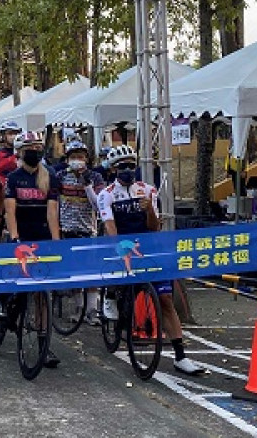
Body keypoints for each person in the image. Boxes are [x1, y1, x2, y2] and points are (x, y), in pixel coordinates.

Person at [95, 145, 206, 375]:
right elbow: (110, 226)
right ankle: (112, 295)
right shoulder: (106, 194)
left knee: (165, 299)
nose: (128, 170)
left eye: (131, 165)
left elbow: (155, 227)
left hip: (148, 248)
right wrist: (120, 249)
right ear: (114, 169)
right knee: (116, 264)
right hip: (123, 246)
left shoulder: (148, 190)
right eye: (122, 166)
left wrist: (149, 211)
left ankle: (181, 356)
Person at [3, 130, 61, 369]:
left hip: (42, 236)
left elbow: (52, 212)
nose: (34, 152)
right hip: (21, 234)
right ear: (19, 152)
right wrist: (15, 237)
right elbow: (10, 211)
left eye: (38, 148)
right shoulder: (13, 178)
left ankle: (43, 343)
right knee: (17, 284)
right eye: (30, 149)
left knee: (42, 293)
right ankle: (6, 305)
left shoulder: (50, 177)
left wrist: (56, 241)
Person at [56, 139, 106, 324]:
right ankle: (79, 308)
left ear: (87, 159)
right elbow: (54, 202)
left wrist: (86, 184)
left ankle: (92, 310)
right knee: (75, 272)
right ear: (67, 159)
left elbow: (98, 204)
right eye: (74, 157)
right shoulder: (60, 176)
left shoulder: (95, 177)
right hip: (67, 229)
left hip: (88, 230)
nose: (77, 160)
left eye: (81, 157)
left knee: (91, 271)